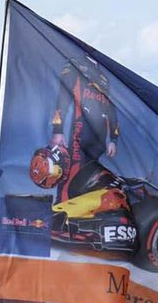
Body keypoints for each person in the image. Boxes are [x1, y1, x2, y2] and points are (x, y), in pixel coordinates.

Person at [50, 54, 120, 202]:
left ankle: (79, 220)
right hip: (79, 133)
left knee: (90, 180)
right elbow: (62, 100)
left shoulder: (104, 76)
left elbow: (111, 109)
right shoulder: (75, 64)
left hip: (99, 140)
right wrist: (58, 130)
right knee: (71, 175)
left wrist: (113, 139)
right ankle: (60, 217)